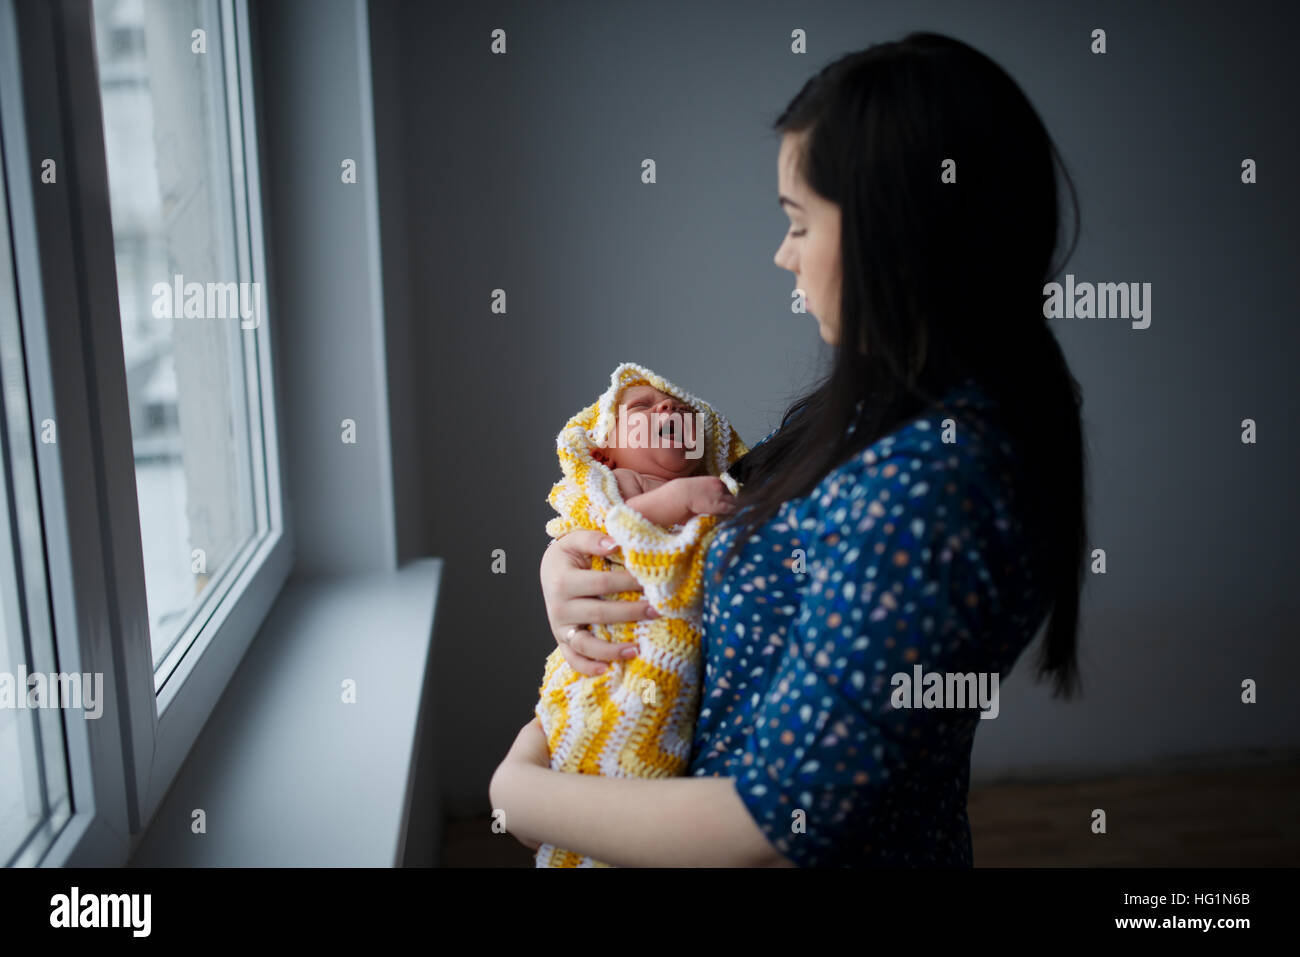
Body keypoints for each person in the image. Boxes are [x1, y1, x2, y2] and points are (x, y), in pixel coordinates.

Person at [490, 31, 1088, 868]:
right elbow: (709, 518)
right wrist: (573, 568)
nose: (784, 255)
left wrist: (521, 789)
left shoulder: (936, 484)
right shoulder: (872, 415)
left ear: (897, 232)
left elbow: (769, 827)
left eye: (801, 223)